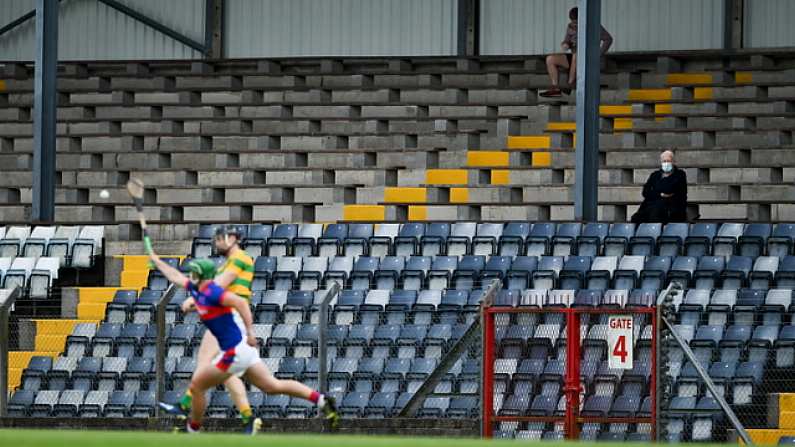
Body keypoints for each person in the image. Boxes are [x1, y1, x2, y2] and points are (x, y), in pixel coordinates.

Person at [148, 254, 340, 434]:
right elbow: (175, 276)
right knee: (272, 386)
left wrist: (250, 332)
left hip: (234, 353)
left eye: (194, 272)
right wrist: (157, 260)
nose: (190, 276)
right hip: (243, 351)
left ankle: (192, 427)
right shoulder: (196, 288)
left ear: (201, 275)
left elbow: (240, 303)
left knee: (197, 385)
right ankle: (321, 400)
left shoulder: (215, 292)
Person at [159, 225, 258, 434]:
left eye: (220, 238)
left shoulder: (240, 258)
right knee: (226, 372)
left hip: (229, 316)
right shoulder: (230, 261)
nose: (216, 242)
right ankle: (247, 418)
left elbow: (218, 286)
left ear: (232, 238)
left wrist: (193, 300)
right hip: (226, 314)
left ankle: (186, 408)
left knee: (205, 362)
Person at [540, 6, 613, 98]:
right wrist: (565, 44)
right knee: (550, 59)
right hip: (575, 56)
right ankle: (555, 88)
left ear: (582, 18)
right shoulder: (570, 27)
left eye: (576, 22)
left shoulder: (594, 26)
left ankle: (569, 84)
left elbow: (608, 39)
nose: (574, 24)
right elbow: (566, 40)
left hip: (588, 58)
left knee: (576, 55)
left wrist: (598, 54)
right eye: (572, 21)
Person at [631, 150, 688, 224]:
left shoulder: (680, 175)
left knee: (656, 213)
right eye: (664, 161)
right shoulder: (655, 175)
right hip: (650, 205)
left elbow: (670, 189)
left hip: (672, 207)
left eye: (668, 161)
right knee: (636, 218)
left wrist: (655, 191)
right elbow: (645, 192)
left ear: (673, 162)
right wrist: (661, 194)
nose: (666, 163)